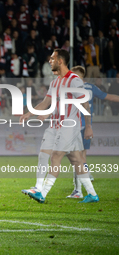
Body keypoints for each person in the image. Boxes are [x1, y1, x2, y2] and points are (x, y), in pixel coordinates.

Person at [20, 49, 99, 203]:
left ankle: (42, 193)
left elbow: (85, 103)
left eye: (52, 58)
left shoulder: (74, 80)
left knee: (55, 156)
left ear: (60, 61)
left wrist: (88, 125)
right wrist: (30, 113)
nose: (50, 61)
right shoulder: (55, 82)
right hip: (54, 125)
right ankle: (92, 194)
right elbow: (45, 102)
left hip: (69, 126)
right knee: (75, 159)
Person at [67, 66, 119, 198]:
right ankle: (83, 180)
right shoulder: (91, 87)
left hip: (77, 125)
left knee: (76, 157)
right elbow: (108, 97)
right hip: (86, 125)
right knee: (81, 155)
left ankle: (79, 190)